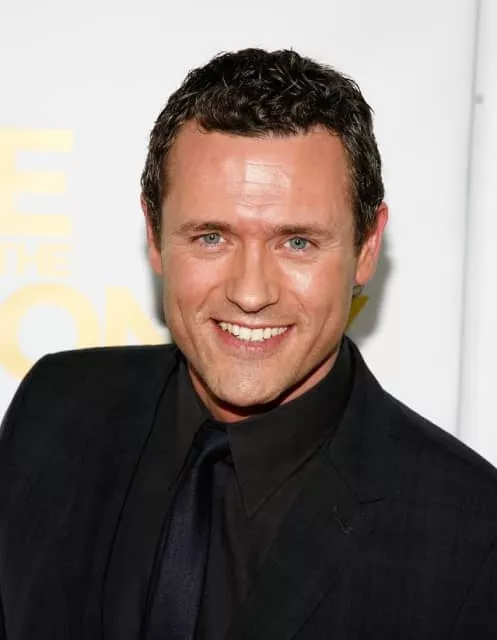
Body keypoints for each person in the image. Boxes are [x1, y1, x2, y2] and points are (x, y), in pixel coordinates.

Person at [0, 48, 496, 640]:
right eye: (211, 237)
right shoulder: (54, 409)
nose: (251, 293)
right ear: (155, 234)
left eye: (298, 243)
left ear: (366, 247)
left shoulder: (471, 535)